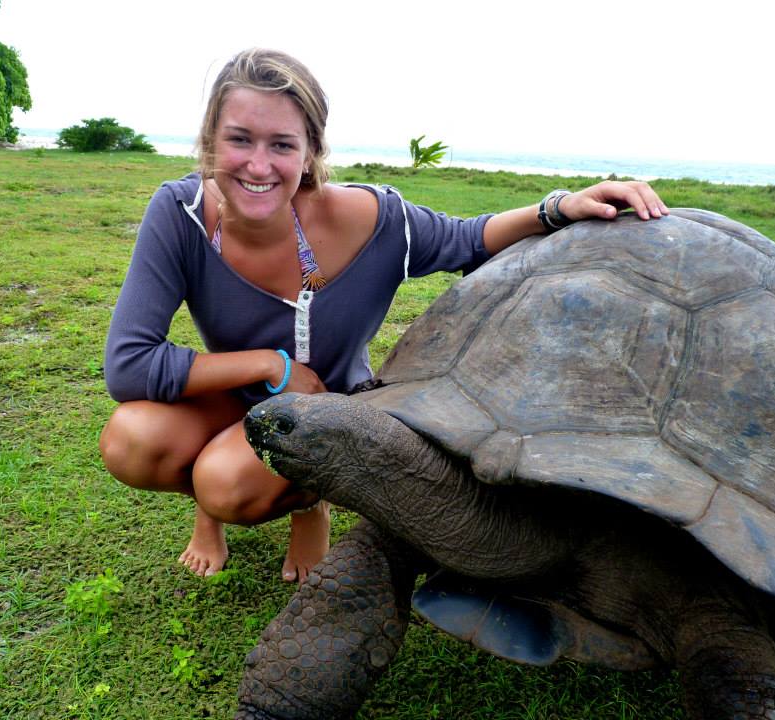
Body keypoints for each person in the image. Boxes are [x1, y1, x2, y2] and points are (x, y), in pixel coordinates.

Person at [98, 48, 669, 584]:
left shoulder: (377, 221)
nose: (258, 164)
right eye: (239, 139)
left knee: (225, 481)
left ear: (311, 151)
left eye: (282, 144)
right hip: (234, 389)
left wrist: (557, 207)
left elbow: (470, 239)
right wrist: (269, 366)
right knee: (132, 440)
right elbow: (128, 365)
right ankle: (208, 511)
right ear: (209, 141)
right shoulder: (181, 213)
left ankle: (309, 503)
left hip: (333, 407)